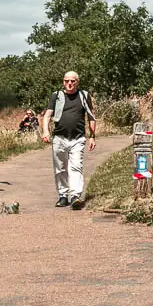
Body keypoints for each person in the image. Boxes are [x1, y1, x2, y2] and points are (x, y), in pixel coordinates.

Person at [41, 71, 96, 209]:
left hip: (78, 138)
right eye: (67, 81)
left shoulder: (84, 95)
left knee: (76, 166)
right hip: (59, 138)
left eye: (72, 81)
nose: (69, 83)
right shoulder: (57, 96)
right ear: (63, 82)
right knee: (60, 168)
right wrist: (46, 132)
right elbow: (47, 115)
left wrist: (92, 136)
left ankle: (75, 196)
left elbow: (91, 116)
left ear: (77, 82)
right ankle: (63, 196)